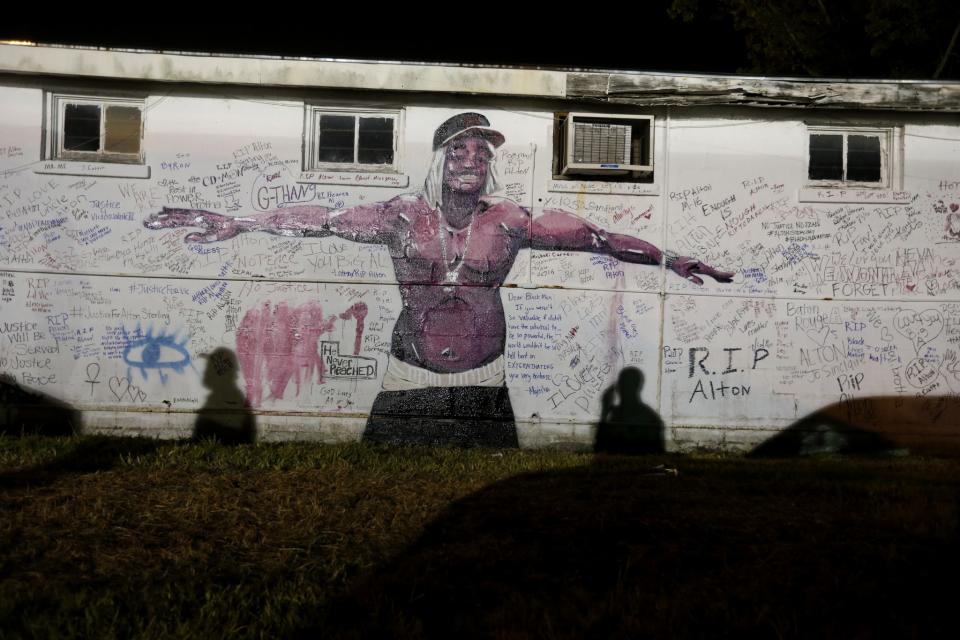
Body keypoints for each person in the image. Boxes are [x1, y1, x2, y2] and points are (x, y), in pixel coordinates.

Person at [145, 112, 733, 446]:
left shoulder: (511, 223)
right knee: (383, 497)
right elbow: (320, 221)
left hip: (486, 380)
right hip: (408, 379)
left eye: (481, 151)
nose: (472, 159)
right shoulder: (400, 217)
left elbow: (598, 238)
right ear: (438, 161)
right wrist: (239, 222)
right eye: (459, 150)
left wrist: (667, 257)